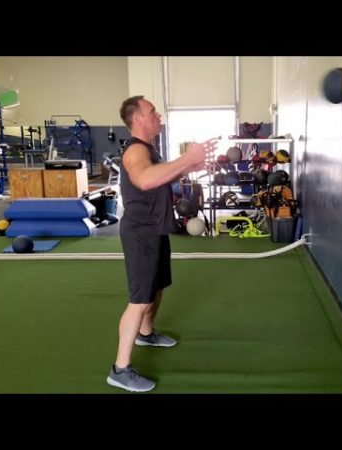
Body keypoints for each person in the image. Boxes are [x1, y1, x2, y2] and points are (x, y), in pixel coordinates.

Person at [107, 95, 216, 392]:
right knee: (140, 300)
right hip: (141, 233)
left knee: (157, 287)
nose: (158, 115)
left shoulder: (149, 149)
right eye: (152, 111)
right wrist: (187, 158)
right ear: (137, 119)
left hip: (155, 229)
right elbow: (144, 180)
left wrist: (190, 166)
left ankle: (146, 334)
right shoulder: (135, 151)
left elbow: (160, 177)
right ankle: (120, 369)